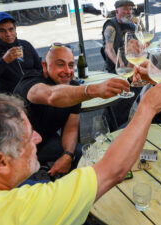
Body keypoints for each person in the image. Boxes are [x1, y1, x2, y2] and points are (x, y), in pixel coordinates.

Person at [0, 82, 161, 224]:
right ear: (1, 162)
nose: (38, 138)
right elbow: (113, 171)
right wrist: (147, 108)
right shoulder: (21, 211)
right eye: (27, 137)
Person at [14, 44, 130, 177]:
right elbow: (51, 95)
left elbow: (71, 127)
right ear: (45, 66)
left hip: (46, 140)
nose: (68, 71)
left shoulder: (74, 89)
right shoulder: (31, 81)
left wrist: (68, 155)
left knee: (85, 155)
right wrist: (92, 90)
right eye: (60, 64)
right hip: (15, 149)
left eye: (70, 65)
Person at [0, 12, 42, 93]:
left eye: (11, 29)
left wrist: (35, 82)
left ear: (15, 29)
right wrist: (4, 61)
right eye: (2, 31)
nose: (8, 34)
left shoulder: (25, 45)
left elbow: (39, 67)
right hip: (10, 98)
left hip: (32, 91)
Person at [102, 0, 136, 73]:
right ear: (116, 11)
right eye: (125, 9)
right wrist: (120, 64)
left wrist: (140, 23)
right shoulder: (111, 26)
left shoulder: (131, 25)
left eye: (130, 9)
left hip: (133, 65)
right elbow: (109, 49)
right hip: (117, 69)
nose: (129, 12)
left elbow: (144, 43)